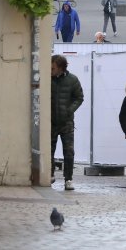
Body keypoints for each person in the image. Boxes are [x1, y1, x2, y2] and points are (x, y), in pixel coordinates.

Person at [50, 55, 84, 191]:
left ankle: (68, 179)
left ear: (61, 68)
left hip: (66, 122)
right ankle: (49, 175)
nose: (50, 70)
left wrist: (69, 110)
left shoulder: (72, 80)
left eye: (53, 68)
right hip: (50, 121)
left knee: (69, 152)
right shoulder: (46, 79)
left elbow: (79, 97)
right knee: (49, 151)